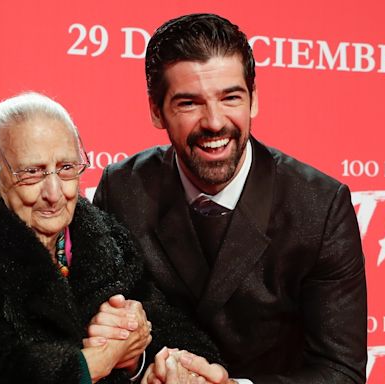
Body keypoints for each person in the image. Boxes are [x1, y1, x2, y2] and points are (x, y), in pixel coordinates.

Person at [93, 13, 367, 383]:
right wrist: (140, 368)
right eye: (189, 103)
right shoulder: (122, 189)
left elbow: (342, 372)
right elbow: (100, 334)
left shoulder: (319, 207)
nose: (214, 122)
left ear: (253, 100)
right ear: (157, 111)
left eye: (230, 97)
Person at [0, 92, 223, 383]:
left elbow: (179, 338)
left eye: (66, 168)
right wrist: (92, 363)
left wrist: (141, 358)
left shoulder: (109, 240)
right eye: (32, 172)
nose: (54, 193)